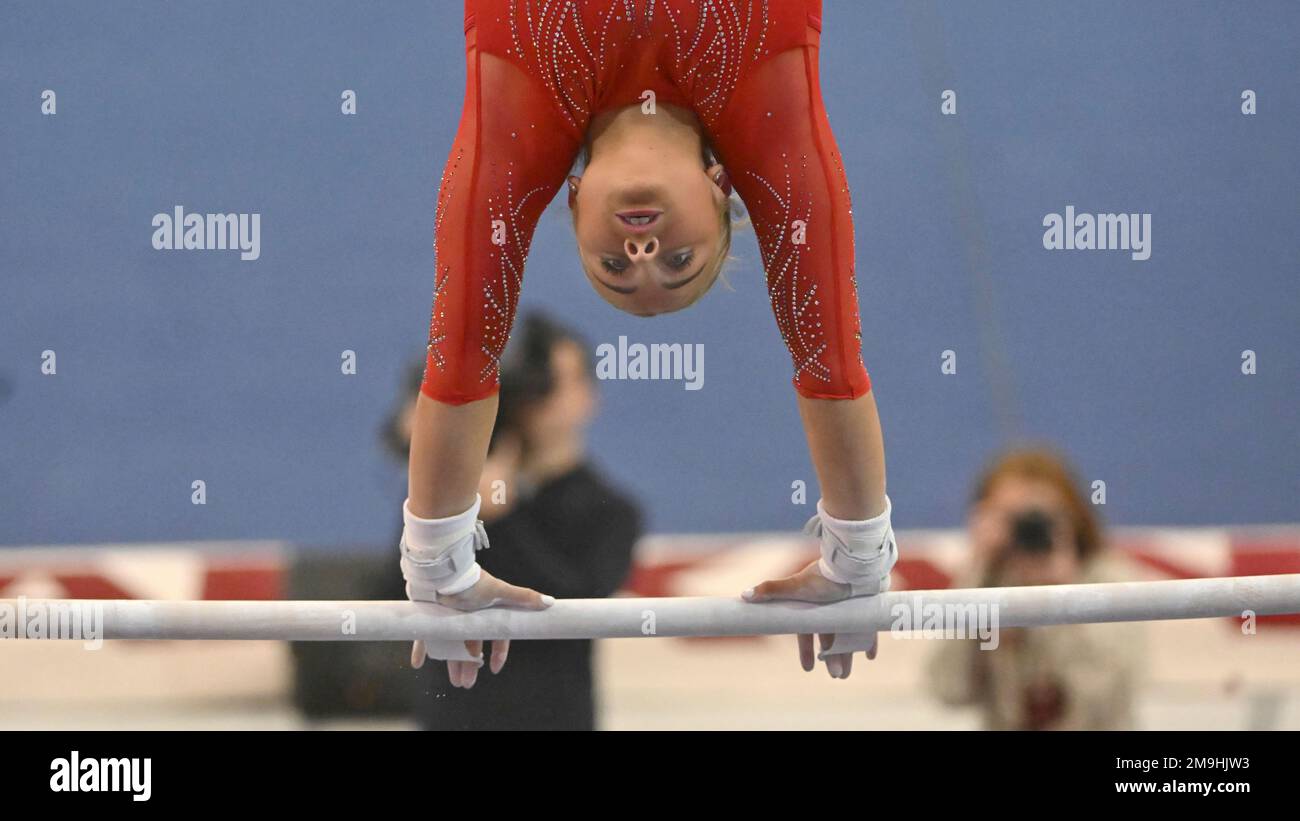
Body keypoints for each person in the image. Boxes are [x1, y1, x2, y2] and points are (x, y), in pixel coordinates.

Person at [401, 0, 897, 686]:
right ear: (722, 190)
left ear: (572, 202)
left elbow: (460, 363)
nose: (641, 252)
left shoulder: (514, 138)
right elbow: (830, 365)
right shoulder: (775, 131)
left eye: (615, 268)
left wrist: (438, 564)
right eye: (677, 260)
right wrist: (859, 561)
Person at [926, 447, 1144, 730]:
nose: (1028, 528)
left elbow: (1112, 695)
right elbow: (949, 689)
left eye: (1040, 515)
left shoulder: (1108, 578)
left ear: (1073, 515)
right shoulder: (989, 585)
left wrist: (1068, 596)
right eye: (1012, 517)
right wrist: (978, 573)